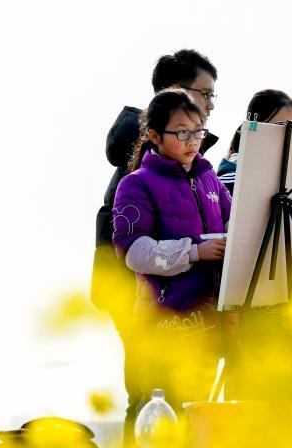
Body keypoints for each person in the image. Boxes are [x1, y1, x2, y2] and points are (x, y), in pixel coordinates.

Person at [93, 49, 221, 447]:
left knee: (184, 405)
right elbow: (131, 246)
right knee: (150, 403)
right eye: (206, 93)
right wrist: (194, 251)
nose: (211, 105)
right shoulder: (139, 173)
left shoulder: (202, 172)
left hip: (194, 310)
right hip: (147, 304)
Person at [112, 89, 232, 418]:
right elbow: (134, 252)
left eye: (197, 131)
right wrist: (194, 252)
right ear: (154, 136)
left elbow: (237, 223)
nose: (192, 140)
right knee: (163, 425)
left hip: (207, 328)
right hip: (162, 331)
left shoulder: (210, 179)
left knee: (196, 425)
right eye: (182, 132)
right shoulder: (136, 184)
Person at [216, 90, 292, 405]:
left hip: (291, 314)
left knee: (291, 419)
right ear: (254, 125)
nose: (289, 136)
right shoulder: (226, 178)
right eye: (281, 126)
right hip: (250, 316)